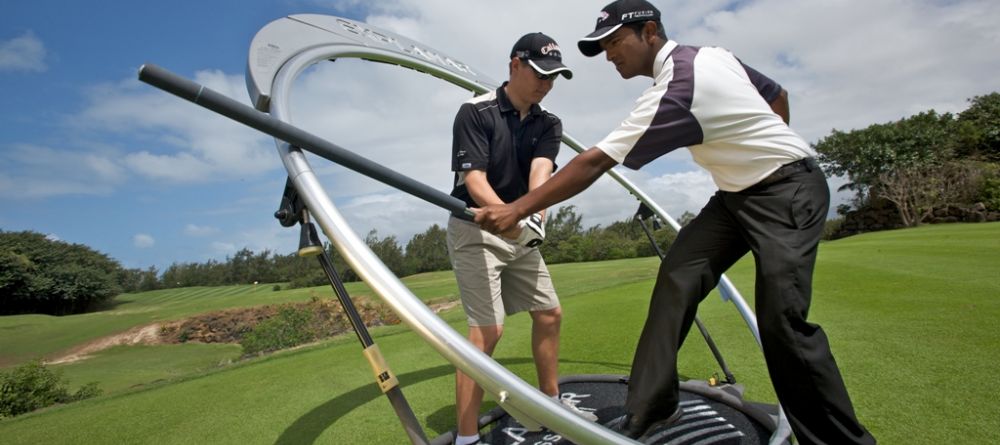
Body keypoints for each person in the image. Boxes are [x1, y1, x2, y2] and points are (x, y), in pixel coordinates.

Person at [474, 1, 877, 444]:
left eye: (614, 43)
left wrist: (516, 209)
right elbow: (776, 95)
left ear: (650, 32)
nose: (609, 55)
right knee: (677, 278)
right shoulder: (713, 55)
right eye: (603, 47)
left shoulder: (680, 85)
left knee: (782, 321)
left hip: (788, 190)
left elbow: (594, 162)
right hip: (735, 197)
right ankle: (653, 408)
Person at [447, 32, 597, 445]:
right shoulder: (475, 111)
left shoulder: (549, 123)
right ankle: (466, 437)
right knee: (487, 331)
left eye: (554, 77)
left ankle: (552, 402)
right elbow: (475, 180)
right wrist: (508, 216)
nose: (547, 84)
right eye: (540, 73)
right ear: (515, 65)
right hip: (475, 229)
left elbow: (541, 172)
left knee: (549, 313)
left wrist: (533, 213)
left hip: (520, 227)